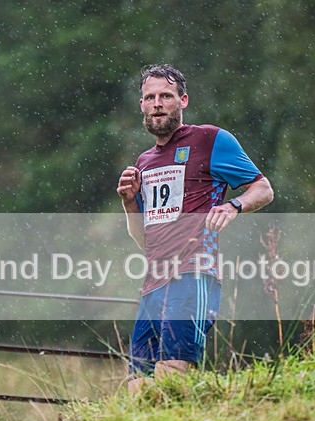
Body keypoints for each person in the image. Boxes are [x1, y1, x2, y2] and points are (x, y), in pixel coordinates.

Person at [117, 64, 273, 393]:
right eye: (150, 97)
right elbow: (144, 241)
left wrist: (233, 205)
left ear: (182, 100)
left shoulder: (210, 139)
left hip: (192, 273)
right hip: (152, 284)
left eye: (166, 96)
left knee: (171, 372)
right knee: (137, 385)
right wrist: (130, 203)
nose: (157, 103)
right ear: (142, 106)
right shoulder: (144, 162)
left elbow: (263, 189)